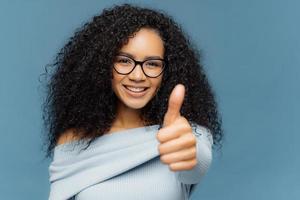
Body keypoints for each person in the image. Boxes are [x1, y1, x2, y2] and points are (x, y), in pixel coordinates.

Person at [41, 3, 223, 200]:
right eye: (124, 61)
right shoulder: (73, 140)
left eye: (152, 64)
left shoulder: (184, 134)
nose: (138, 75)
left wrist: (190, 151)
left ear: (167, 72)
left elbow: (196, 164)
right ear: (103, 66)